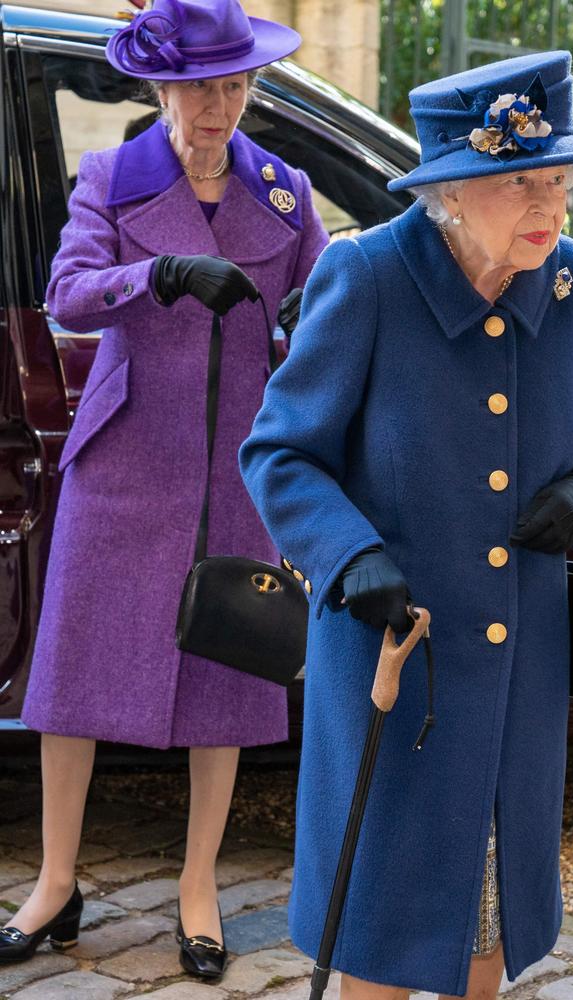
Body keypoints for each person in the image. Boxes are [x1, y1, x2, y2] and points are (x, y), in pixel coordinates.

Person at [239, 50, 573, 1000]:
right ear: (451, 195)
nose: (551, 205)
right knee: (380, 935)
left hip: (517, 687)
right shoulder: (369, 279)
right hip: (398, 669)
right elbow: (278, 453)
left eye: (560, 179)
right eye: (518, 183)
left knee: (486, 935)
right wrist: (349, 553)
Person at [2, 0, 328, 981]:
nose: (220, 103)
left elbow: (323, 309)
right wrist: (162, 274)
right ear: (160, 87)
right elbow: (68, 291)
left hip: (234, 460)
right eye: (200, 84)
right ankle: (56, 881)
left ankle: (196, 885)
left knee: (224, 671)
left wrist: (306, 323)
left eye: (236, 83)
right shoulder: (112, 176)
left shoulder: (284, 193)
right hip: (124, 456)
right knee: (73, 678)